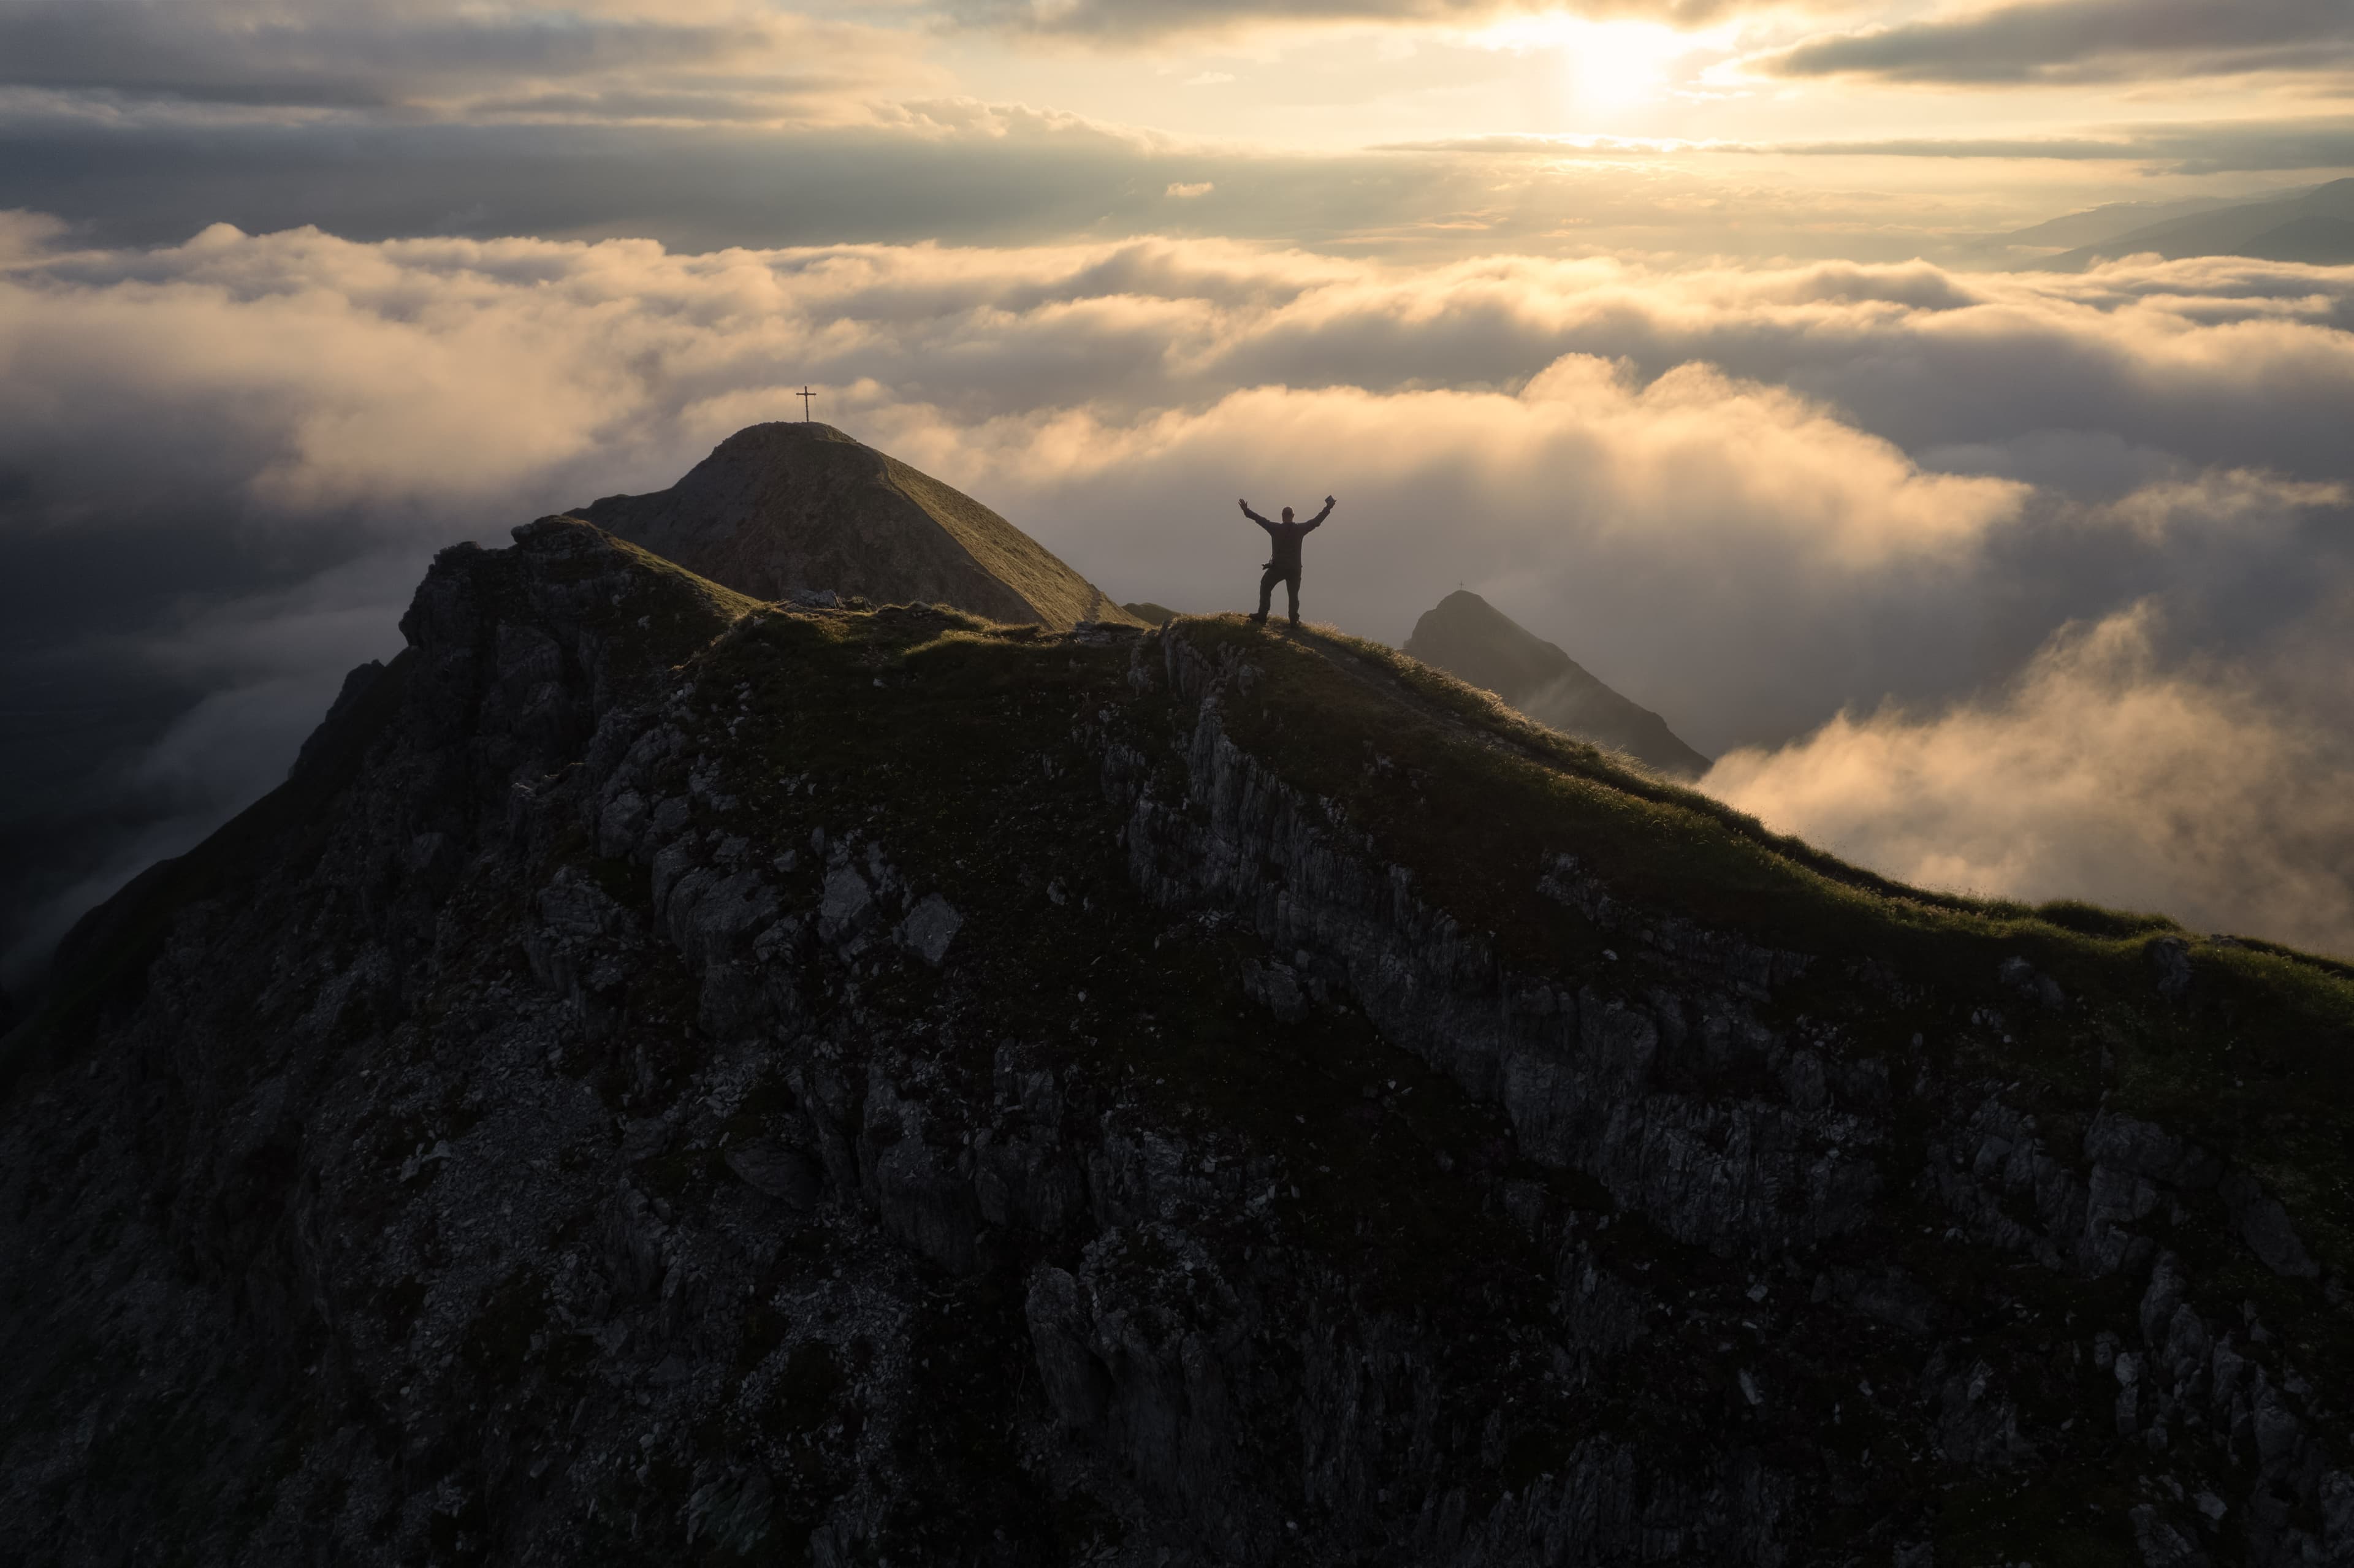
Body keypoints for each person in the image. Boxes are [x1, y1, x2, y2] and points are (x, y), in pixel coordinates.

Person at [1239, 494, 1335, 626]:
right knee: (1293, 596)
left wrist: (1246, 511)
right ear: (1293, 516)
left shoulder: (1275, 528)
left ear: (1282, 516)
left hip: (1278, 568)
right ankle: (1294, 621)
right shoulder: (1300, 529)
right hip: (1295, 569)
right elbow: (1316, 522)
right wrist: (1328, 508)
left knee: (1266, 585)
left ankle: (1262, 616)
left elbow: (1260, 520)